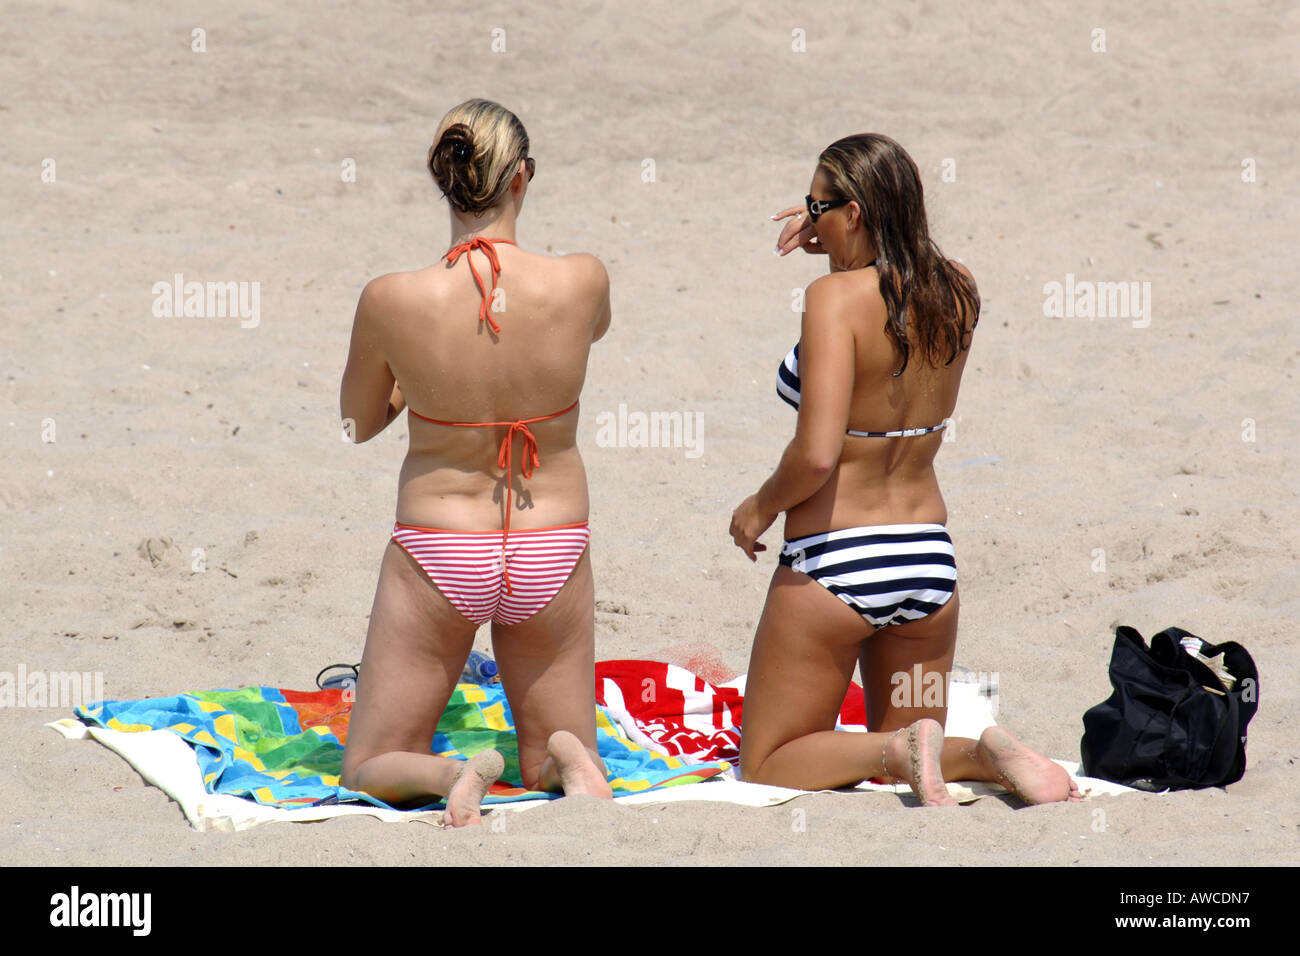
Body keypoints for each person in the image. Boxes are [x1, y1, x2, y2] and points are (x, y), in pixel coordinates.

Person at [730, 133, 1080, 806]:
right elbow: (889, 298)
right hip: (927, 562)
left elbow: (816, 453)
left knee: (771, 761)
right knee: (908, 752)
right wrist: (833, 234)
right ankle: (984, 752)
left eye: (818, 204)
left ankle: (906, 747)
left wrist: (759, 506)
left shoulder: (832, 300)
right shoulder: (957, 287)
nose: (808, 217)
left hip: (835, 561)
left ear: (855, 212)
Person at [339, 99, 613, 826]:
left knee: (369, 762)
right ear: (522, 177)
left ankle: (453, 772)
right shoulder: (582, 278)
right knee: (544, 756)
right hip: (550, 537)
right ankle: (569, 759)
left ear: (442, 178)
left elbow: (356, 423)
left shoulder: (392, 298)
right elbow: (594, 332)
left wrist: (417, 382)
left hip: (442, 546)